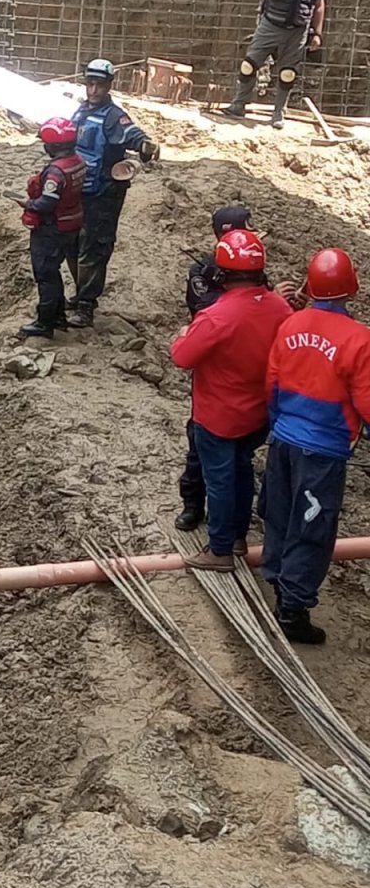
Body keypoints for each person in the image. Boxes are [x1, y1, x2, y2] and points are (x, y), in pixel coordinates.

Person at [261, 249, 370, 643]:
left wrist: (278, 425)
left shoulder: (291, 325)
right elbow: (367, 400)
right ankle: (293, 609)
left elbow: (271, 384)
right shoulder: (359, 338)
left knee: (279, 513)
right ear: (349, 289)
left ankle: (278, 583)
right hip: (323, 451)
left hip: (284, 439)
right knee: (313, 527)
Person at [175, 207, 305, 531]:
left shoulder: (226, 308)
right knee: (233, 466)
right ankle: (207, 515)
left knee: (217, 471)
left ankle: (221, 544)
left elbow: (184, 353)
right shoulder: (206, 275)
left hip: (220, 402)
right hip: (254, 401)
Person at [69, 59, 159, 329]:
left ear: (109, 86)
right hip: (79, 189)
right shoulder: (81, 111)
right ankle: (81, 292)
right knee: (72, 244)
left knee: (95, 248)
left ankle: (86, 305)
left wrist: (145, 145)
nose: (93, 90)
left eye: (99, 85)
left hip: (104, 194)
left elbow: (133, 134)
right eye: (90, 84)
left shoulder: (113, 116)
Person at [224, 0, 326, 129]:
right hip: (271, 25)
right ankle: (238, 105)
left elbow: (319, 4)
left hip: (297, 30)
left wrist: (317, 33)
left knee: (288, 72)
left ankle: (278, 112)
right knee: (250, 64)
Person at [18, 117, 86, 339]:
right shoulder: (78, 162)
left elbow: (48, 202)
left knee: (46, 275)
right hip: (71, 225)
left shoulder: (56, 172)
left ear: (53, 145)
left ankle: (45, 322)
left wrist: (30, 205)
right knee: (54, 272)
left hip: (52, 229)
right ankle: (57, 316)